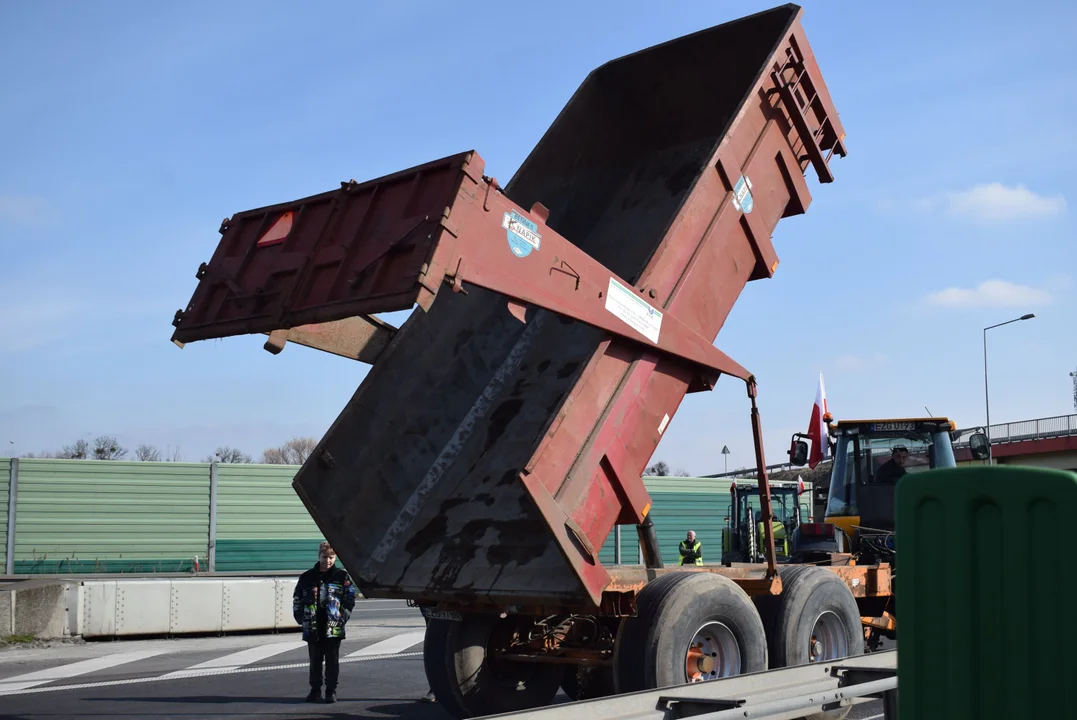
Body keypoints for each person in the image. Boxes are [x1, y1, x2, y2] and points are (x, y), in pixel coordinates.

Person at [293, 541, 356, 704]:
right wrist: (300, 617)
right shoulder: (307, 577)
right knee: (314, 660)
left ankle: (331, 691)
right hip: (312, 625)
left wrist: (342, 618)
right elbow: (297, 598)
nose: (327, 560)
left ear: (335, 558)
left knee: (332, 660)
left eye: (331, 557)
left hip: (333, 627)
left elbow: (349, 599)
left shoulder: (342, 576)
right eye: (324, 557)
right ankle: (315, 690)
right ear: (318, 556)